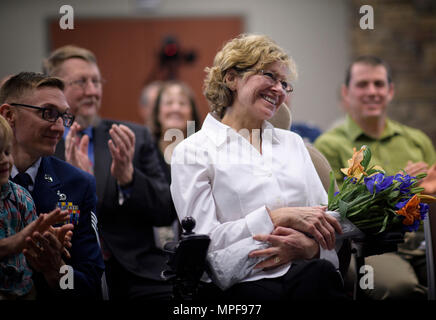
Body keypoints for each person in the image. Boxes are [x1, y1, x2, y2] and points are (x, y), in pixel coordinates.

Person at [170, 34, 347, 301]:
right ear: (231, 78)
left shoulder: (293, 144)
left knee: (321, 276)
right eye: (270, 76)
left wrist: (310, 249)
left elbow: (328, 223)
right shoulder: (192, 151)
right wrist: (276, 217)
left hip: (308, 272)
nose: (279, 89)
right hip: (239, 284)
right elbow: (204, 243)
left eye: (285, 83)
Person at [43, 45, 175, 299]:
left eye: (96, 81)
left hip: (137, 273)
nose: (92, 91)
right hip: (70, 270)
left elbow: (165, 212)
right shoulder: (44, 144)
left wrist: (129, 179)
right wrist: (80, 187)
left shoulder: (133, 137)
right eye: (81, 82)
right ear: (56, 89)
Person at [314, 55, 436, 299]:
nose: (372, 92)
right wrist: (401, 185)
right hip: (369, 247)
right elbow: (337, 211)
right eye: (362, 84)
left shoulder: (416, 140)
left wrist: (429, 190)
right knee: (398, 289)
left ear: (390, 91)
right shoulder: (328, 145)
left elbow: (432, 193)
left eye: (379, 84)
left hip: (424, 241)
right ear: (346, 93)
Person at [0, 72, 104, 299]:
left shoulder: (78, 184)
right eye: (48, 113)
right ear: (9, 115)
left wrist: (55, 271)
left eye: (63, 117)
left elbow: (91, 284)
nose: (59, 128)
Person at [0, 115, 73, 300]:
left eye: (7, 152)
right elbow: (18, 242)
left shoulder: (22, 197)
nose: (4, 160)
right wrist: (18, 241)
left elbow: (80, 274)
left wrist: (50, 247)